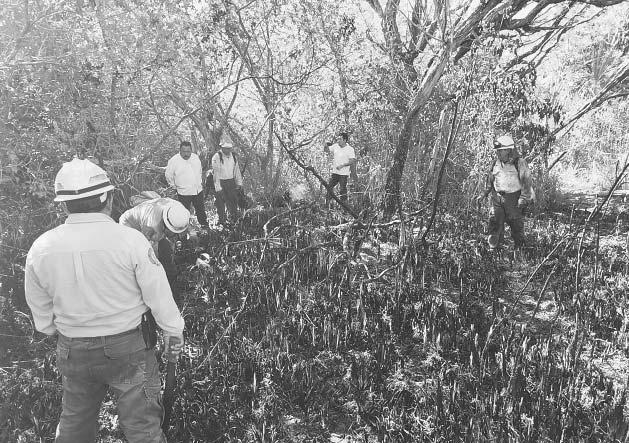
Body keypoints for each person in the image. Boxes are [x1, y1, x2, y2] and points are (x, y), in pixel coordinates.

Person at [24, 158, 185, 442]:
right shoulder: (131, 241)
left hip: (73, 351)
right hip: (129, 349)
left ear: (64, 205)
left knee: (75, 426)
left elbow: (41, 314)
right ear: (107, 198)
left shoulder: (41, 248)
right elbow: (158, 294)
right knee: (143, 429)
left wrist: (63, 330)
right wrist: (173, 330)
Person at [119, 197, 190, 306]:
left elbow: (181, 228)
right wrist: (158, 270)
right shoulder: (153, 226)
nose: (177, 235)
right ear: (166, 227)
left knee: (166, 253)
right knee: (148, 264)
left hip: (149, 219)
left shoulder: (178, 209)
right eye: (174, 232)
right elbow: (150, 255)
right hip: (130, 226)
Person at [477, 135, 535, 249]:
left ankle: (520, 250)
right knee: (494, 224)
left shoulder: (519, 163)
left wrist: (523, 199)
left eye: (501, 150)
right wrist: (483, 194)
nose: (498, 153)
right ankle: (495, 250)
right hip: (497, 198)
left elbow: (526, 182)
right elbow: (490, 181)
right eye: (497, 150)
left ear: (509, 150)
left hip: (513, 199)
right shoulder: (495, 163)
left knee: (516, 226)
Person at [165, 140, 208, 228]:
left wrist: (199, 182)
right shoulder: (174, 160)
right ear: (180, 150)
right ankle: (184, 230)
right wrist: (174, 186)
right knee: (184, 213)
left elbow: (199, 171)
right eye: (184, 151)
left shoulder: (195, 157)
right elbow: (168, 175)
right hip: (184, 192)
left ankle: (204, 227)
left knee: (201, 210)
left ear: (191, 150)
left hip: (197, 190)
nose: (186, 154)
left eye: (188, 151)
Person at [211, 134, 244, 225]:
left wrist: (239, 183)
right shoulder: (216, 157)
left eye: (229, 148)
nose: (228, 150)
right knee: (220, 204)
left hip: (231, 182)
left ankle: (234, 221)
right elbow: (216, 173)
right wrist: (218, 188)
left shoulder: (233, 156)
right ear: (221, 147)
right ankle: (222, 222)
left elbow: (236, 171)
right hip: (221, 182)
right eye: (226, 148)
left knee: (233, 203)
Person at [324, 131, 357, 206]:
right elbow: (326, 150)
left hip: (343, 174)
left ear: (345, 140)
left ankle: (344, 207)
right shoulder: (335, 146)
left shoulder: (350, 149)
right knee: (329, 187)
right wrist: (325, 145)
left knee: (342, 191)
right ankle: (327, 206)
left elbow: (352, 161)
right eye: (338, 139)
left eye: (340, 139)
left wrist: (343, 165)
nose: (338, 141)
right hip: (335, 173)